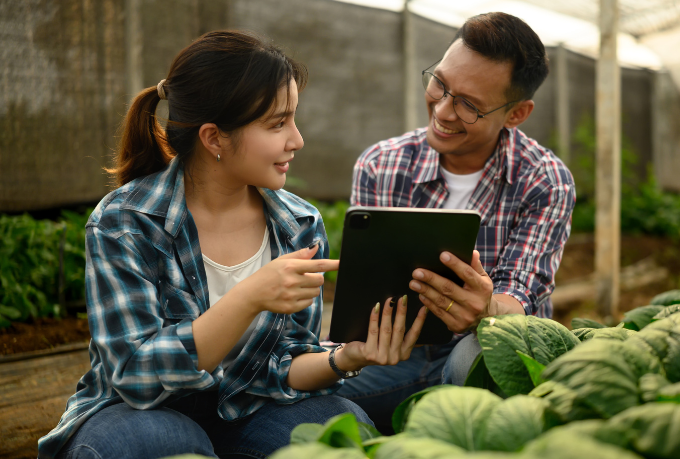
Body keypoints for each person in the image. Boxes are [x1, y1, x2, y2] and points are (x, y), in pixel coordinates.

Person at [38, 31, 427, 459]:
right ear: (214, 138)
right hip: (139, 413)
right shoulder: (125, 222)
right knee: (164, 443)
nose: (297, 140)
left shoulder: (299, 224)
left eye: (293, 120)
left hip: (248, 409)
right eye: (277, 124)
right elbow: (135, 376)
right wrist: (249, 297)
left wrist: (346, 358)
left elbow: (283, 366)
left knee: (341, 428)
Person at [338, 12, 575, 432]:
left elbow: (521, 291)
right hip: (397, 351)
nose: (443, 110)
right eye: (440, 84)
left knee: (474, 361)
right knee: (311, 392)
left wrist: (487, 308)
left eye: (469, 104)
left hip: (486, 346)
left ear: (517, 113)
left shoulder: (544, 180)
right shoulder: (381, 165)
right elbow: (366, 292)